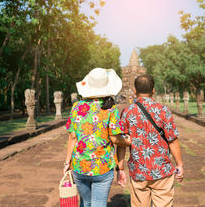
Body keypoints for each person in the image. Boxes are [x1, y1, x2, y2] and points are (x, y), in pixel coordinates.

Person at [63, 68, 131, 207]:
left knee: (85, 202)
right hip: (102, 166)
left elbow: (72, 137)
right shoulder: (110, 109)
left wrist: (67, 163)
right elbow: (114, 139)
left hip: (79, 165)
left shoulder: (77, 107)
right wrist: (128, 141)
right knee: (98, 204)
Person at [117, 74, 184, 207]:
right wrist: (179, 164)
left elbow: (121, 143)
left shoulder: (127, 112)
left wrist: (120, 168)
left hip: (138, 170)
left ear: (135, 91)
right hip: (162, 170)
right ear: (153, 90)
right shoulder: (163, 110)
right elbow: (172, 140)